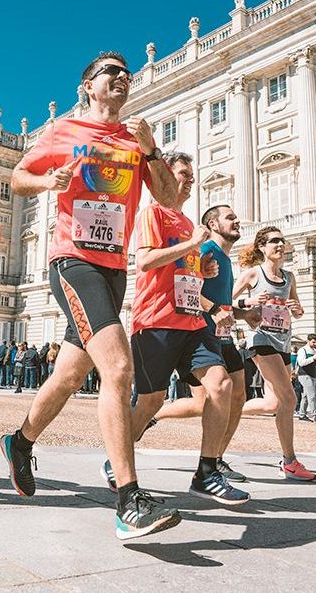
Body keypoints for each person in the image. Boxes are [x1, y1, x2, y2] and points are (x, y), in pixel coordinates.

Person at [0, 52, 182, 540]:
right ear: (88, 87)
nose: (123, 77)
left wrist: (152, 151)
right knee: (118, 368)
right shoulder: (64, 132)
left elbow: (168, 199)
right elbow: (18, 178)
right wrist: (46, 180)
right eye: (111, 72)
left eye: (126, 72)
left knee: (69, 372)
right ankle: (129, 499)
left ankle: (20, 441)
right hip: (72, 261)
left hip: (112, 268)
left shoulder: (134, 139)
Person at [96, 151, 248, 506]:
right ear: (164, 178)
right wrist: (192, 245)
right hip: (156, 321)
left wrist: (202, 271)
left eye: (191, 174)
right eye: (183, 173)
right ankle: (115, 460)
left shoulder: (187, 222)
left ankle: (207, 472)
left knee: (221, 385)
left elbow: (184, 272)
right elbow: (146, 260)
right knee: (150, 401)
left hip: (193, 321)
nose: (190, 179)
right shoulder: (153, 214)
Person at [146, 205, 253, 484]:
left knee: (236, 395)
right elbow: (186, 285)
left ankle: (215, 461)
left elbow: (224, 304)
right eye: (230, 217)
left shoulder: (227, 260)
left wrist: (244, 314)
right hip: (201, 333)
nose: (237, 220)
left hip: (222, 335)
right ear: (213, 224)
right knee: (209, 398)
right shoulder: (205, 249)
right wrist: (215, 309)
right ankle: (153, 416)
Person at [233, 227, 316, 481]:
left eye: (282, 240)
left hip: (282, 342)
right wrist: (248, 303)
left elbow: (299, 311)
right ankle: (289, 461)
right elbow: (225, 300)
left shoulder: (289, 277)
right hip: (260, 340)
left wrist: (297, 308)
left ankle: (227, 413)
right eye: (273, 241)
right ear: (262, 247)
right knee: (290, 399)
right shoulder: (252, 274)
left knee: (274, 403)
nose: (279, 244)